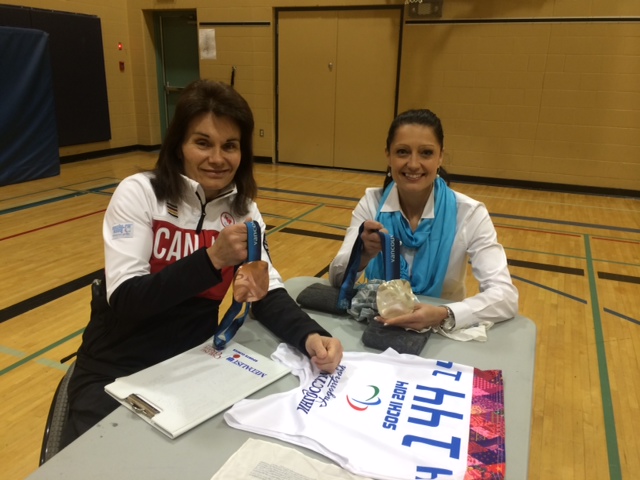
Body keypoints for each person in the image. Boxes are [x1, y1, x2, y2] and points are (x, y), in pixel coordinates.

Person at [61, 79, 343, 447]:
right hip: (116, 365)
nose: (217, 158)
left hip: (191, 364)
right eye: (203, 143)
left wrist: (310, 335)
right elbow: (127, 300)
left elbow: (266, 291)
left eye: (230, 146)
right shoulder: (139, 193)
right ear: (179, 145)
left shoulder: (245, 211)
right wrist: (211, 259)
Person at [329, 109, 518, 333]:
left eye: (426, 153)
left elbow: (505, 296)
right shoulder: (371, 204)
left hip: (443, 330)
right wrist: (362, 255)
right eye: (402, 152)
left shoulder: (469, 213)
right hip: (381, 323)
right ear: (388, 156)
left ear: (440, 157)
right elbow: (337, 280)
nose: (413, 164)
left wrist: (444, 314)